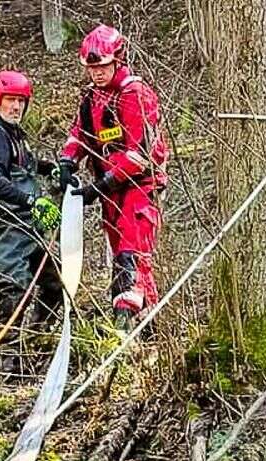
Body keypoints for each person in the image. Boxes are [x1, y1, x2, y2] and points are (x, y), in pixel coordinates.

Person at [56, 24, 169, 329]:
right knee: (121, 249)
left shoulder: (134, 94)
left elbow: (139, 155)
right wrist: (67, 162)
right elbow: (78, 135)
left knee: (131, 255)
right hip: (109, 190)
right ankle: (151, 326)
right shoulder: (91, 98)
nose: (97, 73)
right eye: (92, 68)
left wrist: (102, 184)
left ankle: (121, 329)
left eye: (102, 66)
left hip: (138, 186)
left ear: (117, 60)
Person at [0, 68, 64, 327]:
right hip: (6, 227)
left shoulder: (14, 134)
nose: (16, 107)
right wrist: (33, 202)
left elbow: (22, 166)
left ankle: (37, 337)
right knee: (15, 291)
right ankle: (9, 360)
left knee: (54, 284)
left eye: (21, 101)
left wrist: (50, 168)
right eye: (10, 100)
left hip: (26, 228)